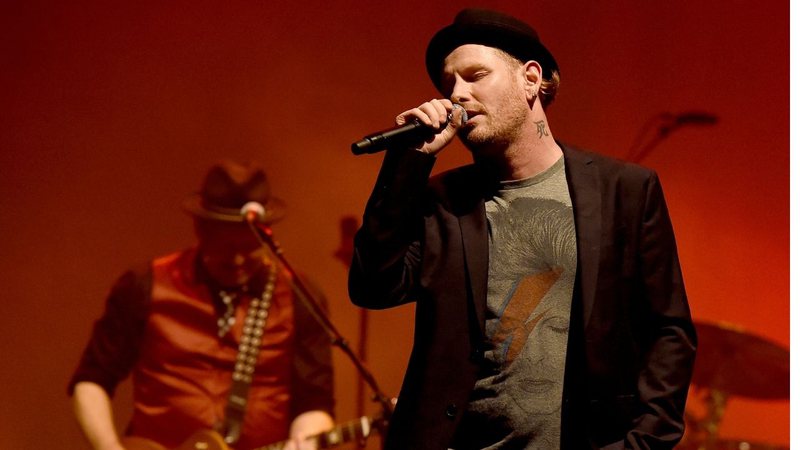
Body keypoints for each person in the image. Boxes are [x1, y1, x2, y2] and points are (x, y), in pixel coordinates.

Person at [348, 8, 696, 450]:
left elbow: (669, 330)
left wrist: (646, 439)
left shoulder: (623, 191)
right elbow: (374, 286)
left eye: (475, 75)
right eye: (448, 83)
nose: (457, 95)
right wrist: (407, 163)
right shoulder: (442, 202)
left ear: (531, 78)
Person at [69, 160, 335, 450]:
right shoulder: (144, 283)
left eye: (248, 248)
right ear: (201, 231)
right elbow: (92, 380)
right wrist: (109, 448)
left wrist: (306, 439)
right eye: (226, 248)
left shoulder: (299, 295)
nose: (237, 261)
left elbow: (315, 400)